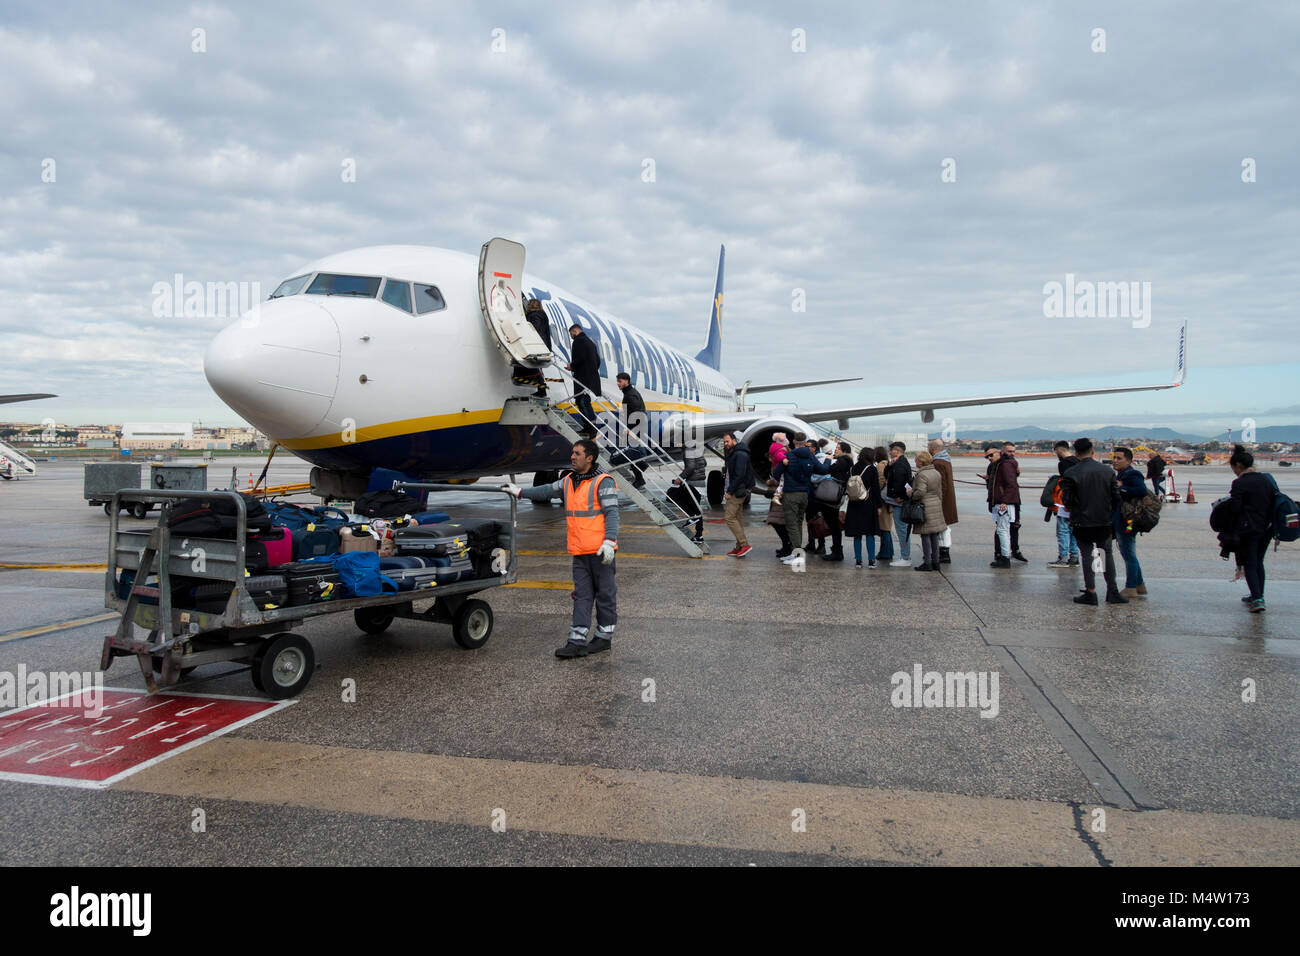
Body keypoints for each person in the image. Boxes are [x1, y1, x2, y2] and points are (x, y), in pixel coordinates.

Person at [506, 439, 620, 657]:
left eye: (577, 453)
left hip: (600, 552)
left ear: (590, 458)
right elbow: (547, 490)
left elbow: (612, 513)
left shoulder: (602, 482)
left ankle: (604, 637)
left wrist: (609, 542)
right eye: (572, 453)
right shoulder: (569, 481)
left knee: (605, 595)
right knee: (582, 596)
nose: (572, 457)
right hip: (579, 551)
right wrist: (520, 492)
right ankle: (576, 641)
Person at [1059, 437, 1126, 605]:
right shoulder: (1107, 471)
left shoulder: (1071, 473)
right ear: (1092, 451)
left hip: (1082, 521)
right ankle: (1113, 591)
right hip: (1103, 520)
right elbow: (1116, 497)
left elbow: (1067, 499)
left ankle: (1091, 592)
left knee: (1087, 555)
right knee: (1105, 554)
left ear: (1076, 453)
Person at [1227, 444, 1274, 612]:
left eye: (1233, 468)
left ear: (1238, 465)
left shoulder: (1240, 483)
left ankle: (1258, 598)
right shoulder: (1266, 479)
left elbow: (1235, 508)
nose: (1233, 471)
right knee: (1258, 562)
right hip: (1267, 528)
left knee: (1250, 563)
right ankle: (1258, 593)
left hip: (1250, 528)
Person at [769, 433, 829, 564]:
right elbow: (823, 470)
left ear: (794, 442)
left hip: (791, 494)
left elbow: (776, 473)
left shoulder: (789, 456)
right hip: (804, 494)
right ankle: (795, 553)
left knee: (792, 525)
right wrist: (829, 459)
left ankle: (797, 555)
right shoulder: (811, 456)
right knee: (798, 523)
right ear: (805, 442)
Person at [1111, 446, 1149, 598]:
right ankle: (1139, 585)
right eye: (1114, 457)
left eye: (1119, 458)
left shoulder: (1132, 473)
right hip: (1122, 519)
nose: (1115, 461)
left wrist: (1122, 488)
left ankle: (1131, 587)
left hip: (1127, 520)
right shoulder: (1121, 474)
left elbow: (1142, 490)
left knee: (1128, 553)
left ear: (1129, 460)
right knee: (1127, 552)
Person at [840, 447, 881, 568]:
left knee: (857, 533)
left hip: (854, 503)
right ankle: (871, 560)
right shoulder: (872, 469)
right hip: (868, 503)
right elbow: (876, 489)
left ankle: (858, 560)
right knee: (869, 533)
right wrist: (878, 506)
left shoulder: (852, 468)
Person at [909, 450, 947, 571]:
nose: (915, 462)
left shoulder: (922, 475)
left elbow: (920, 492)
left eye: (916, 460)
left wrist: (911, 494)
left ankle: (927, 562)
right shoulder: (935, 472)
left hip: (925, 505)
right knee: (934, 535)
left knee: (925, 535)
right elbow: (940, 491)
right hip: (935, 504)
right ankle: (936, 561)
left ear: (921, 461)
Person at [818, 441, 854, 562]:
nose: (836, 450)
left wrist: (829, 459)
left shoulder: (842, 460)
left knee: (833, 523)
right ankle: (837, 550)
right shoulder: (848, 460)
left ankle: (837, 551)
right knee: (834, 523)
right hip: (838, 494)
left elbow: (830, 469)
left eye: (838, 448)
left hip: (833, 494)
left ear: (844, 450)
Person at [721, 431, 755, 557]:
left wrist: (729, 491)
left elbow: (739, 475)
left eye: (727, 441)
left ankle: (744, 544)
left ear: (734, 440)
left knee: (729, 518)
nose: (725, 444)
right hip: (738, 488)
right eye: (724, 442)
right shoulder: (735, 452)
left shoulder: (739, 454)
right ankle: (739, 546)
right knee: (737, 519)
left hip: (737, 490)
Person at [1048, 440, 1081, 569]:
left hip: (1065, 502)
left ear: (1059, 450)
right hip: (1078, 502)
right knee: (1073, 531)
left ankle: (1063, 557)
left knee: (1062, 530)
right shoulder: (1078, 462)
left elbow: (1066, 483)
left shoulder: (1063, 464)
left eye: (1056, 451)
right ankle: (1074, 557)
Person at [565, 323, 601, 437]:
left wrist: (572, 366)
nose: (571, 337)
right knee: (584, 400)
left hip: (582, 376)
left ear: (575, 332)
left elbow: (580, 358)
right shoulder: (590, 343)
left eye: (571, 335)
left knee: (581, 401)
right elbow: (597, 361)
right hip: (590, 377)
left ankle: (590, 428)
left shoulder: (578, 341)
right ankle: (589, 427)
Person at [988, 444, 1020, 569]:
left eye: (991, 455)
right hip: (1001, 502)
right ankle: (1004, 555)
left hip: (1004, 503)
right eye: (987, 456)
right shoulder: (999, 465)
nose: (989, 458)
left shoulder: (1004, 465)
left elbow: (1011, 484)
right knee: (1003, 530)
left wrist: (1004, 501)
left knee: (1002, 530)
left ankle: (1005, 557)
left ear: (999, 453)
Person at [667, 444, 705, 546]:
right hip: (700, 482)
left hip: (693, 482)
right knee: (697, 510)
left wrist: (679, 479)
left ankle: (691, 515)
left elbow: (691, 467)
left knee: (671, 493)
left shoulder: (688, 449)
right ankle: (699, 535)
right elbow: (703, 463)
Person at [615, 372, 647, 489]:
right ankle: (641, 473)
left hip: (634, 428)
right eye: (617, 381)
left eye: (620, 381)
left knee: (632, 454)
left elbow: (637, 412)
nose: (618, 384)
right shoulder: (630, 393)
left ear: (627, 381)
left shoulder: (630, 395)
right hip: (635, 427)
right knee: (634, 453)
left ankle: (640, 476)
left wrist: (630, 429)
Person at [883, 441, 912, 566]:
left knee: (901, 530)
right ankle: (905, 556)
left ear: (897, 450)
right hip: (898, 500)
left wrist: (899, 496)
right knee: (902, 529)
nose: (890, 452)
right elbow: (887, 475)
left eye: (891, 450)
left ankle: (905, 557)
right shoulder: (899, 463)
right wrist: (889, 466)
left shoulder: (900, 465)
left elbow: (900, 482)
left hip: (899, 502)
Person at [929, 439, 958, 564]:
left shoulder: (938, 462)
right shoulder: (946, 460)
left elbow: (942, 485)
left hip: (942, 500)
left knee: (942, 527)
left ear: (933, 448)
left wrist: (937, 500)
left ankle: (943, 552)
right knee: (944, 527)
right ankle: (942, 551)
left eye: (929, 447)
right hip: (947, 499)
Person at [1001, 442, 1027, 562]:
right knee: (1003, 528)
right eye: (1009, 451)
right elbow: (1009, 483)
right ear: (1003, 451)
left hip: (1013, 499)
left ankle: (1014, 550)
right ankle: (1003, 552)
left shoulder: (1011, 463)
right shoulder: (1005, 464)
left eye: (1013, 451)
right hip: (1007, 500)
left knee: (1014, 526)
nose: (1012, 454)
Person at [523, 299, 552, 398]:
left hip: (538, 344)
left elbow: (535, 329)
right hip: (544, 344)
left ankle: (541, 390)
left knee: (535, 367)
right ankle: (541, 389)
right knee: (538, 368)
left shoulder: (535, 315)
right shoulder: (542, 314)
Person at [873, 446, 895, 562]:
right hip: (889, 499)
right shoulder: (888, 463)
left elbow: (880, 481)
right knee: (886, 526)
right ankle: (889, 550)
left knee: (884, 527)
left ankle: (885, 552)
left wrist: (875, 494)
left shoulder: (881, 465)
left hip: (883, 500)